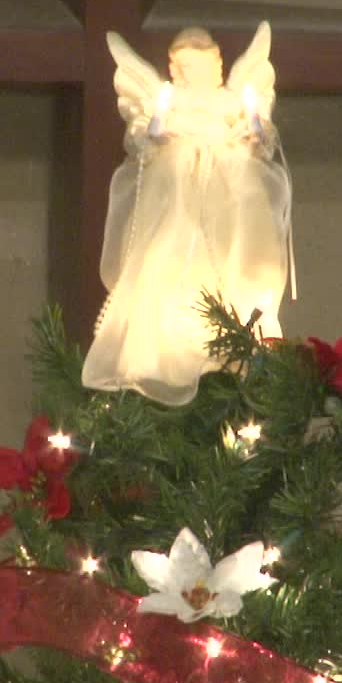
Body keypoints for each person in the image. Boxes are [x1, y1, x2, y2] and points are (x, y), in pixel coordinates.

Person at [81, 23, 292, 406]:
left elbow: (260, 136)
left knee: (240, 264)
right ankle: (164, 350)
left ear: (217, 66)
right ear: (175, 69)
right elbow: (142, 137)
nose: (191, 75)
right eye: (184, 68)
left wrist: (254, 135)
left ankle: (241, 341)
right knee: (167, 261)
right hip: (176, 197)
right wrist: (155, 133)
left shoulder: (230, 102)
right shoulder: (168, 100)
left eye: (202, 66)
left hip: (230, 201)